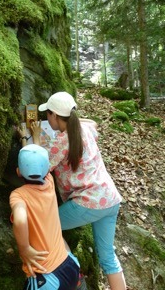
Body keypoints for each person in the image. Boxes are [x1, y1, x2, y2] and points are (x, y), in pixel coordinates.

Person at [28, 92, 127, 290]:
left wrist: (35, 137)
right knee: (108, 256)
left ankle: (73, 274)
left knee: (46, 227)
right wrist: (72, 117)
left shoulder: (61, 142)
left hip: (88, 202)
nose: (47, 118)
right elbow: (94, 123)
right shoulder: (85, 128)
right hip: (110, 199)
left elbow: (38, 167)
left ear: (55, 116)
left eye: (48, 113)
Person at [9, 143, 81, 290]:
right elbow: (40, 164)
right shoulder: (49, 182)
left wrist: (25, 249)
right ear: (47, 169)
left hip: (47, 279)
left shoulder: (19, 195)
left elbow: (20, 219)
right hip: (70, 265)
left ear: (18, 172)